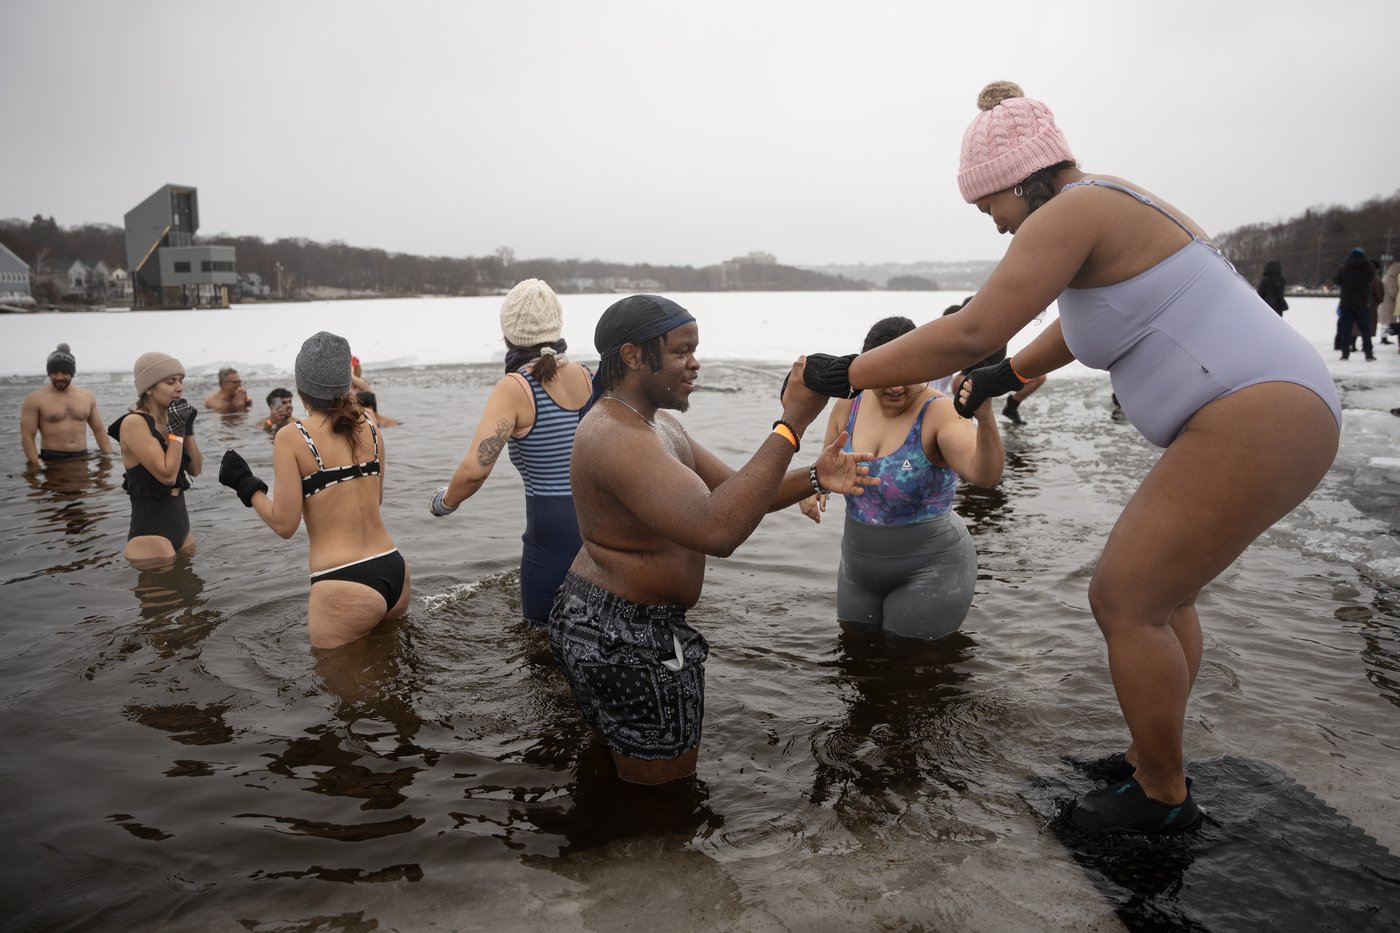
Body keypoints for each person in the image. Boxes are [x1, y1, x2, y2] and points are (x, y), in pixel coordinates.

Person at [798, 81, 1342, 835]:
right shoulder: (1107, 204)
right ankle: (1152, 759)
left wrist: (842, 373)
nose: (994, 224)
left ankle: (1160, 797)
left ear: (1021, 180)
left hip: (1259, 410)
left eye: (989, 204)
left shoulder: (1072, 211)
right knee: (1165, 598)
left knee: (1125, 599)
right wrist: (1006, 374)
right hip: (1277, 406)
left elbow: (970, 329)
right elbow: (1089, 325)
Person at [549, 294, 878, 786]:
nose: (695, 363)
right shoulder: (614, 434)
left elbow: (734, 494)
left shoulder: (655, 423)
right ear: (633, 356)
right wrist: (791, 425)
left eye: (695, 349)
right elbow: (717, 530)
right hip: (627, 636)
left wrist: (814, 476)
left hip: (603, 621)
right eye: (681, 351)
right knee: (662, 794)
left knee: (618, 773)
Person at [218, 332, 409, 649]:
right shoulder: (370, 426)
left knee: (335, 680)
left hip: (343, 580)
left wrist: (245, 483)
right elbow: (375, 500)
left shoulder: (291, 436)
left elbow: (284, 524)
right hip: (394, 569)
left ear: (301, 386)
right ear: (345, 382)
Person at [818, 316, 1004, 640]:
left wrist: (985, 419)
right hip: (857, 571)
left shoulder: (939, 412)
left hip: (932, 570)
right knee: (852, 651)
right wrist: (814, 487)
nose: (896, 387)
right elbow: (826, 464)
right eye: (886, 376)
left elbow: (985, 475)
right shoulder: (849, 403)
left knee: (913, 663)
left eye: (908, 375)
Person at [429, 279, 591, 624]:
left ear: (507, 335)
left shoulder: (516, 387)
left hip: (552, 537)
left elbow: (475, 470)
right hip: (602, 530)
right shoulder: (588, 376)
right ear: (557, 327)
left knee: (540, 641)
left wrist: (444, 502)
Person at [109, 352, 203, 565]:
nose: (179, 387)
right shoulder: (134, 423)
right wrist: (176, 431)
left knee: (192, 586)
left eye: (180, 380)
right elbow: (167, 476)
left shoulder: (171, 421)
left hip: (183, 532)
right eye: (170, 382)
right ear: (149, 388)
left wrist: (187, 429)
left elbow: (196, 469)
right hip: (150, 538)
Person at [21, 343, 114, 464]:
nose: (59, 377)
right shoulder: (35, 399)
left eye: (64, 372)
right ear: (49, 374)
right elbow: (27, 436)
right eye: (55, 373)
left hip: (82, 457)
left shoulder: (86, 397)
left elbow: (99, 430)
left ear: (72, 373)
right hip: (52, 459)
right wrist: (35, 464)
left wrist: (109, 457)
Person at [1333, 248, 1376, 361]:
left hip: (1346, 303)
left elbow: (1337, 281)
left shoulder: (1344, 268)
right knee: (1365, 330)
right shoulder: (1368, 268)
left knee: (1346, 329)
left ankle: (1345, 353)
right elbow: (1372, 279)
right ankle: (1368, 353)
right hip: (1362, 303)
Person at [1380, 261, 1398, 347]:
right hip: (1389, 303)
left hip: (1384, 302)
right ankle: (1384, 338)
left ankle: (1384, 337)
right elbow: (1393, 292)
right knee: (1387, 322)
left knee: (1385, 322)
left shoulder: (1386, 276)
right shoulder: (1392, 278)